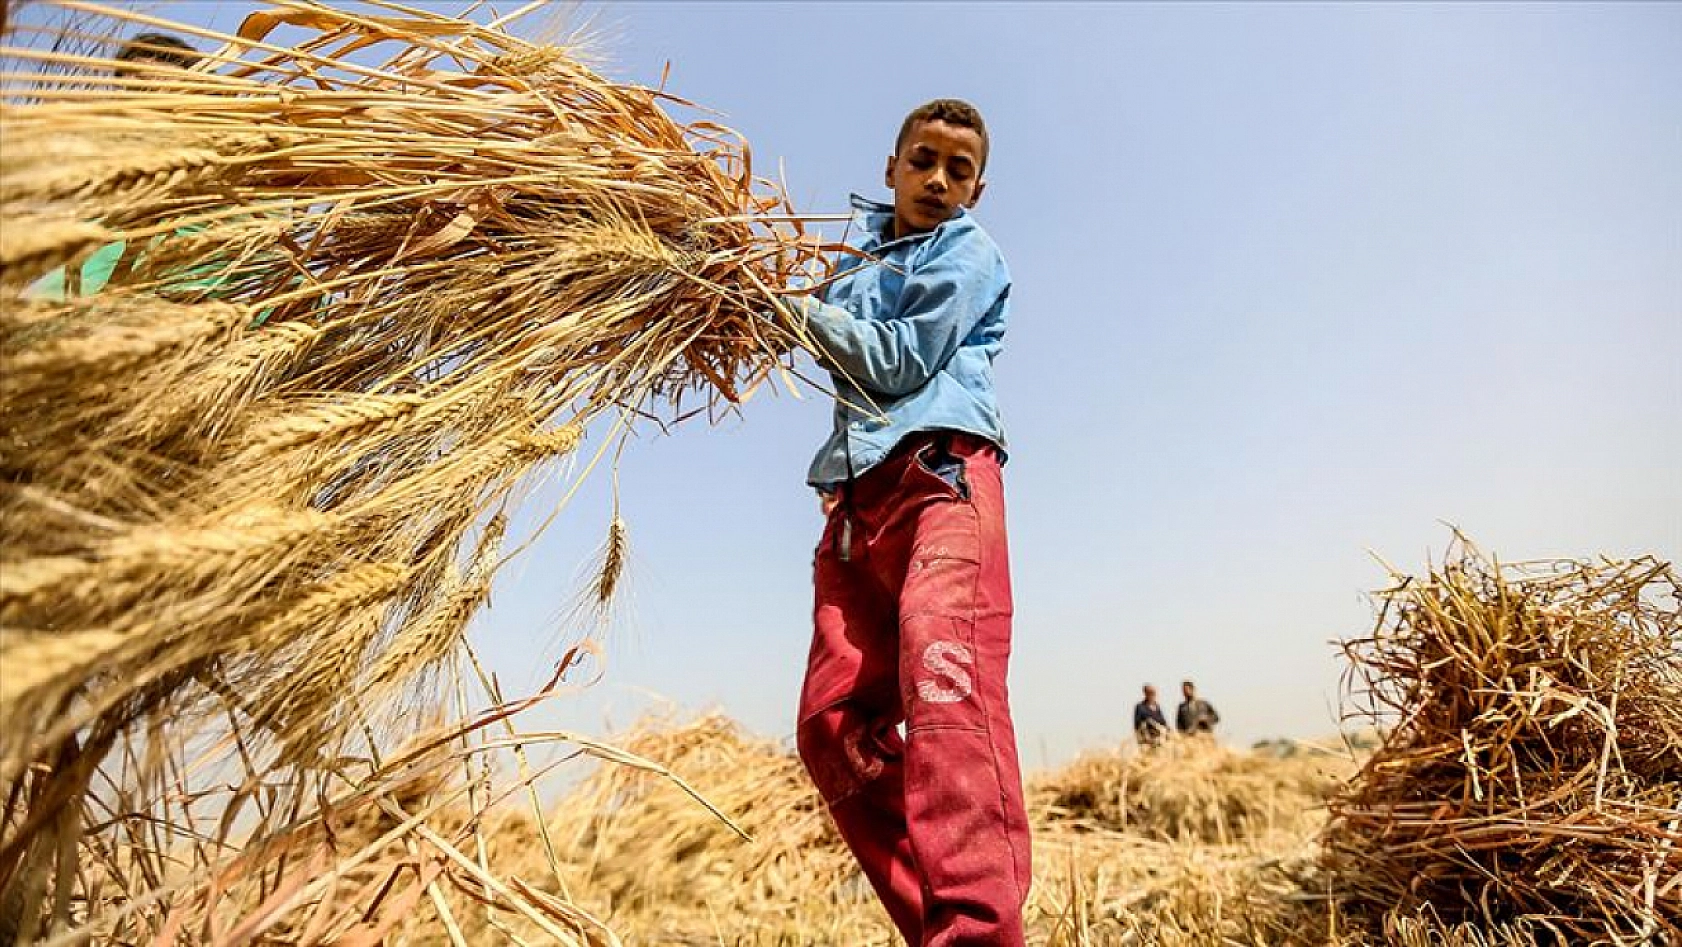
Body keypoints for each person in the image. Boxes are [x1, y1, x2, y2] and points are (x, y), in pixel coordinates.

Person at [789, 99, 1027, 946]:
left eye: (958, 170)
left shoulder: (969, 251)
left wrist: (794, 309)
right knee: (831, 729)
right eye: (922, 160)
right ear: (890, 166)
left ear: (978, 188)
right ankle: (937, 925)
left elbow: (896, 362)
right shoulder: (847, 256)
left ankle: (978, 931)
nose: (937, 179)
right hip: (858, 504)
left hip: (943, 481)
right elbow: (819, 344)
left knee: (943, 682)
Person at [30, 33, 204, 302]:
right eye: (128, 88)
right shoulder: (104, 168)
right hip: (66, 304)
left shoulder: (242, 164)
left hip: (172, 311)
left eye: (149, 87)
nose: (135, 100)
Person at [1133, 684, 1169, 748]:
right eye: (1150, 692)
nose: (1152, 695)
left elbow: (1163, 721)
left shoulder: (1157, 706)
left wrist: (1167, 730)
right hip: (1147, 739)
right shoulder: (1140, 707)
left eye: (1153, 693)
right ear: (1145, 693)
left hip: (1159, 738)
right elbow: (1137, 724)